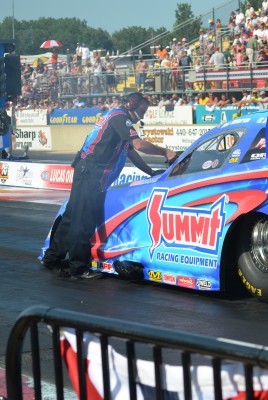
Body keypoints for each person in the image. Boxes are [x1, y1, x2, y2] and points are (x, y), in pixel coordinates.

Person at [41, 92, 177, 279]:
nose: (143, 116)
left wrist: (150, 172)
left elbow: (131, 152)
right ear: (131, 105)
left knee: (71, 217)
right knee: (83, 221)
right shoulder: (120, 118)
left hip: (86, 171)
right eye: (142, 110)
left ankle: (52, 258)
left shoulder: (116, 118)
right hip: (90, 173)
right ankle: (78, 268)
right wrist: (165, 152)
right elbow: (138, 145)